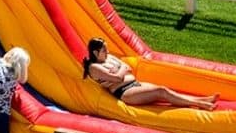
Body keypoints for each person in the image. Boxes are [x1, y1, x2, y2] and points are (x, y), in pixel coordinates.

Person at [82, 37, 217, 110]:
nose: (108, 51)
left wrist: (121, 69)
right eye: (104, 50)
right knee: (161, 91)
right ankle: (201, 105)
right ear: (95, 53)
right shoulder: (94, 67)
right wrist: (121, 69)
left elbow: (127, 67)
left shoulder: (108, 58)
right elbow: (117, 78)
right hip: (125, 92)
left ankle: (201, 100)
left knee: (165, 90)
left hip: (135, 84)